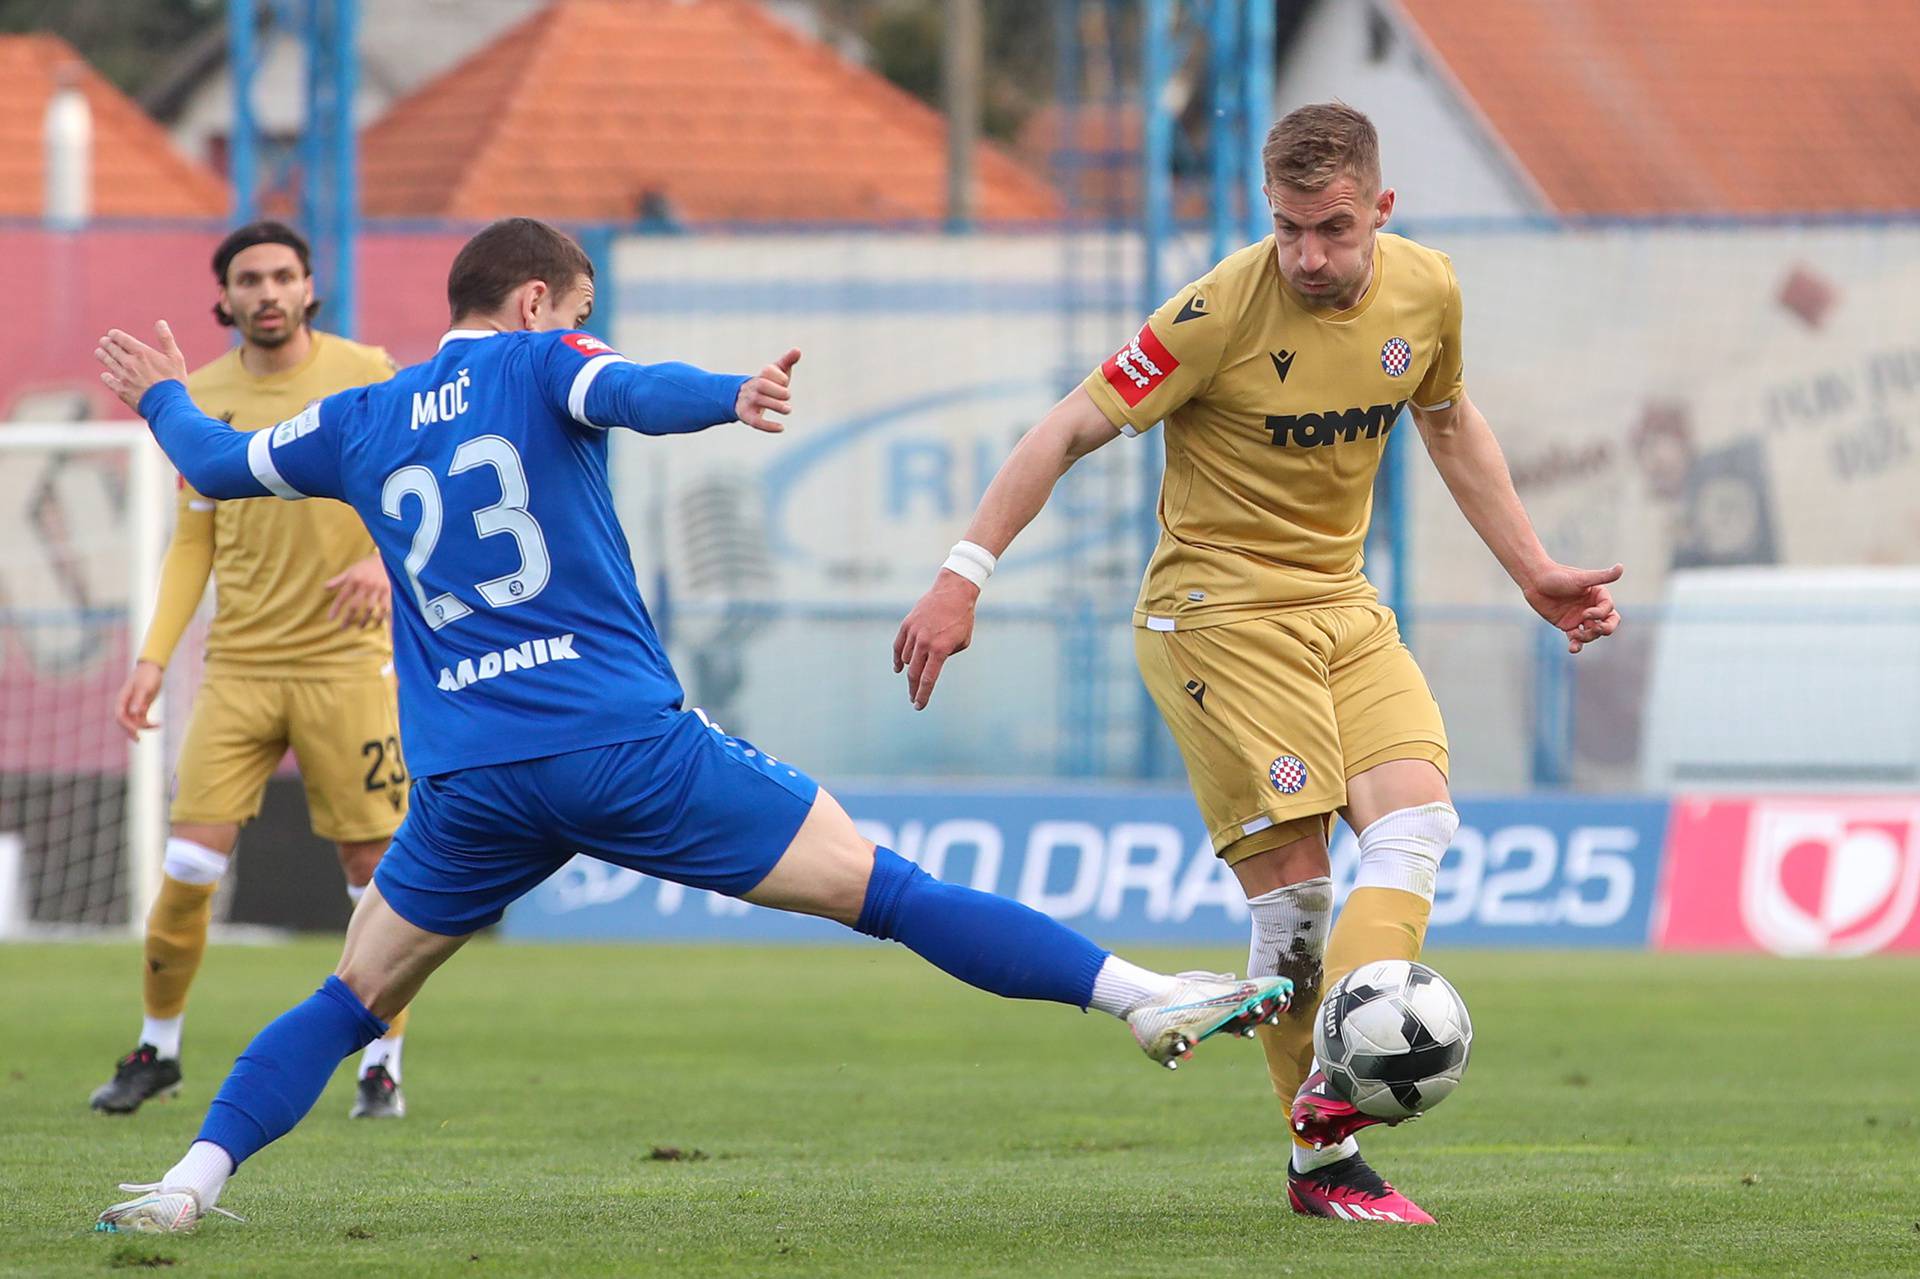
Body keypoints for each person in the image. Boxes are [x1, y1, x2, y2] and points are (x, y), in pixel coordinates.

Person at [88, 217, 1291, 1234]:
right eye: (580, 309)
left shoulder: (359, 416)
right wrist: (732, 395)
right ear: (538, 301)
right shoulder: (536, 359)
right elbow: (624, 389)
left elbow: (214, 454)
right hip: (621, 746)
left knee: (350, 1000)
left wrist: (156, 390)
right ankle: (1138, 995)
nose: (583, 327)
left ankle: (189, 1186)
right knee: (889, 890)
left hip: (470, 781)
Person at [894, 103, 1623, 1225]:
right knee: (1300, 900)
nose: (1308, 257)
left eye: (1332, 229)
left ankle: (1332, 1097)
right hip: (1215, 614)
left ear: (1382, 209)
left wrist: (1532, 569)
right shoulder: (1214, 313)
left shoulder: (1428, 289)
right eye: (1287, 229)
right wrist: (962, 573)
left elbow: (1448, 419)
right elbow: (1064, 431)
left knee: (1417, 823)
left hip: (1340, 603)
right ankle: (1324, 1163)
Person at [91, 221, 417, 1122]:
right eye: (249, 279)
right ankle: (156, 1049)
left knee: (373, 871)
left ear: (310, 287)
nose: (267, 291)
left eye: (283, 275)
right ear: (225, 298)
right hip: (239, 665)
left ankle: (381, 1061)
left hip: (347, 662)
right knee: (188, 866)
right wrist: (154, 658)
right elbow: (193, 539)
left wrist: (385, 563)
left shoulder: (366, 370)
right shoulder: (198, 395)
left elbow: (423, 486)